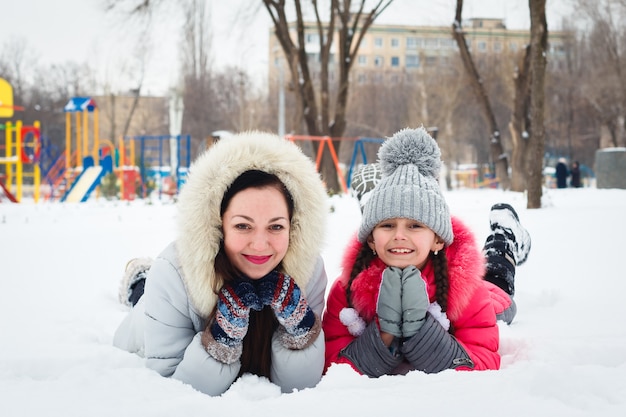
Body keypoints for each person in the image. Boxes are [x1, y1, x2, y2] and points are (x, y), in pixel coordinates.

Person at [113, 131, 329, 396]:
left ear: (293, 228)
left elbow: (300, 390)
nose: (260, 245)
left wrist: (299, 332)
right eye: (242, 225)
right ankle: (138, 279)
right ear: (218, 226)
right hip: (151, 312)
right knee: (143, 296)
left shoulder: (308, 270)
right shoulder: (172, 274)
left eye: (276, 226)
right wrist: (220, 341)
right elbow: (171, 391)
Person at [323, 127, 531, 377]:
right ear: (370, 239)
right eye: (387, 225)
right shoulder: (347, 289)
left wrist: (421, 330)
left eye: (415, 225)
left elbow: (483, 361)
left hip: (477, 289)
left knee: (499, 284)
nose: (399, 235)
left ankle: (504, 237)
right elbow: (333, 367)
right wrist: (385, 332)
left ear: (438, 240)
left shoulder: (464, 287)